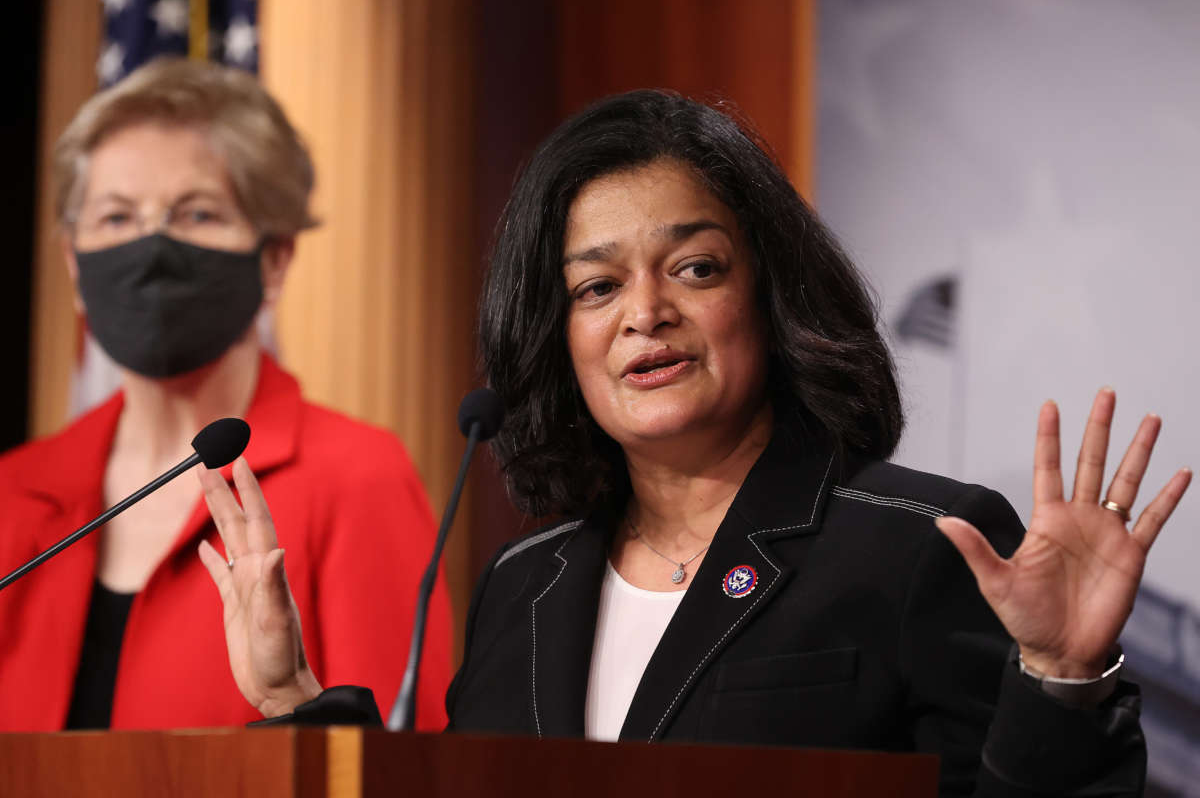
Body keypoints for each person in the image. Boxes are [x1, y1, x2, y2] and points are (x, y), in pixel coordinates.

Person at [195, 91, 1190, 796]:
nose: (646, 313)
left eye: (696, 267)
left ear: (770, 295)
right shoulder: (522, 582)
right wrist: (292, 695)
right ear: (559, 338)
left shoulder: (925, 543)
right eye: (596, 287)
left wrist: (1061, 678)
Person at [0, 58, 452, 731]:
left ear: (274, 259)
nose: (152, 247)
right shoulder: (16, 488)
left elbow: (408, 766)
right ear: (74, 262)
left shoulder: (356, 478)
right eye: (117, 217)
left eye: (198, 213)